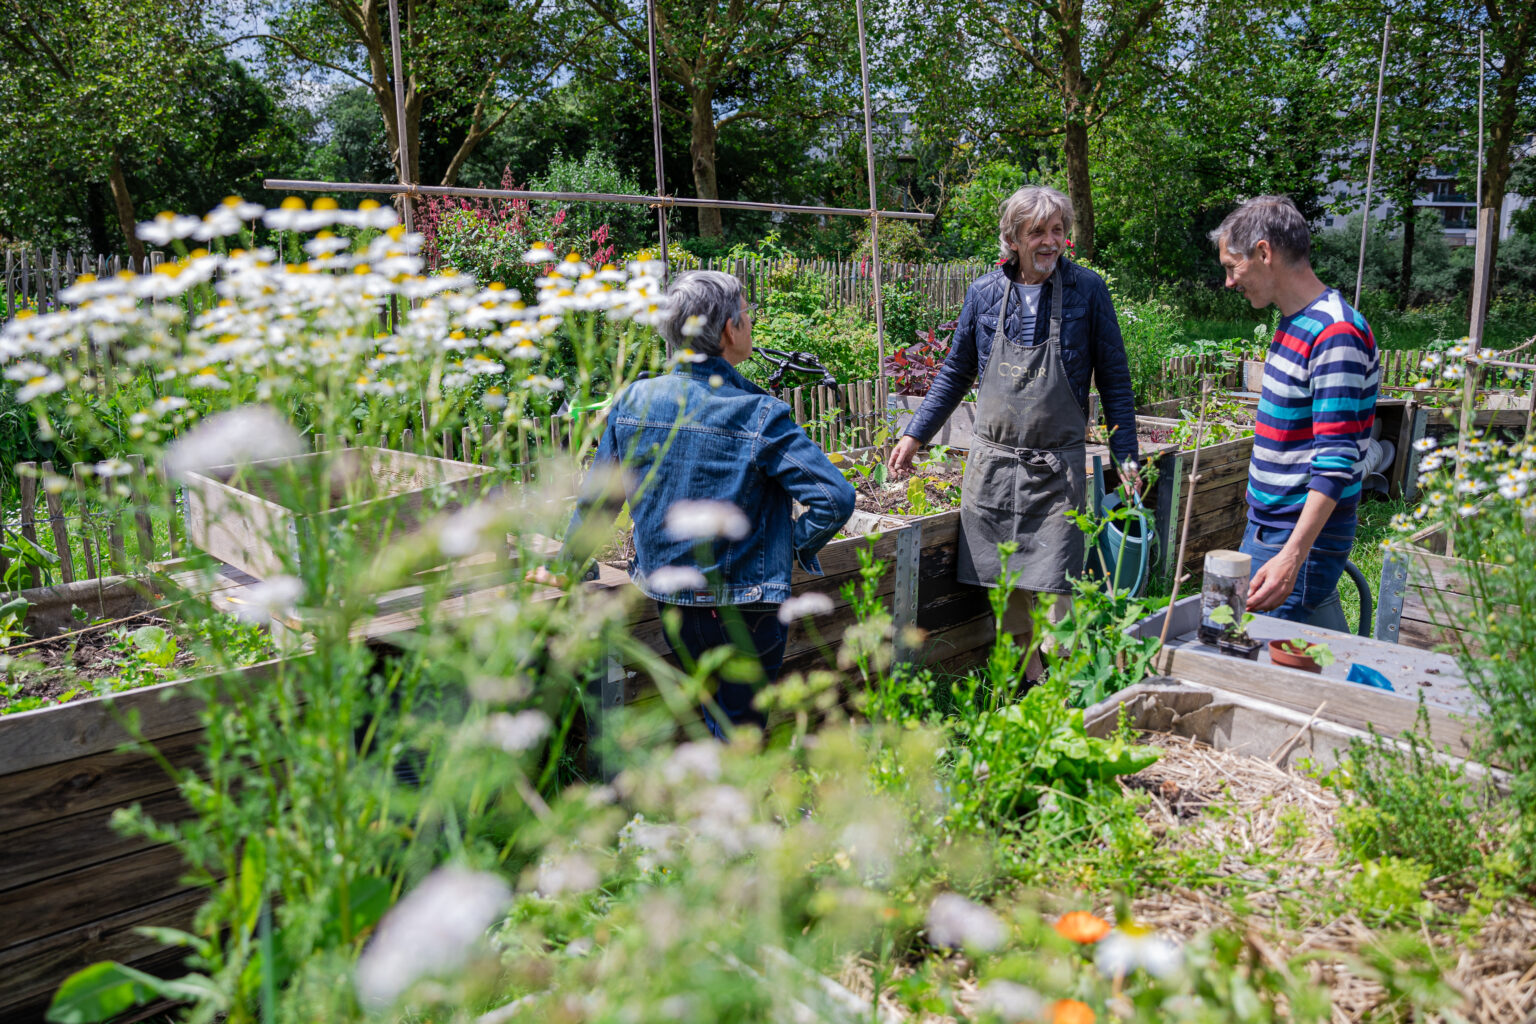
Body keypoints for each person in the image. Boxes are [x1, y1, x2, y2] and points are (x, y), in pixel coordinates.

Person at [564, 270, 855, 739]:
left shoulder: (633, 400)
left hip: (670, 598)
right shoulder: (759, 414)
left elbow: (598, 502)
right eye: (746, 315)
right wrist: (796, 547)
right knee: (740, 734)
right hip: (747, 606)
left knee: (715, 720)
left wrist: (569, 566)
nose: (751, 324)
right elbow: (835, 497)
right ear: (727, 330)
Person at [887, 185, 1139, 681]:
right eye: (1038, 232)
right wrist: (915, 434)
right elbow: (956, 372)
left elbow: (1115, 379)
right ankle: (1031, 688)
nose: (1050, 242)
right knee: (1007, 593)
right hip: (994, 468)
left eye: (1057, 231)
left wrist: (1125, 454)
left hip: (1056, 470)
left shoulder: (1088, 291)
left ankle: (1066, 690)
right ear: (1014, 238)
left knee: (1058, 594)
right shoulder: (984, 292)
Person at [1208, 195, 1379, 629]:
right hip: (1269, 526)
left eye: (1232, 266)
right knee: (1293, 646)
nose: (1229, 281)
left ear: (1264, 253)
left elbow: (1338, 462)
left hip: (1295, 537)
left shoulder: (1334, 332)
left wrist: (1291, 556)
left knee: (1271, 663)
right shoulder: (1294, 322)